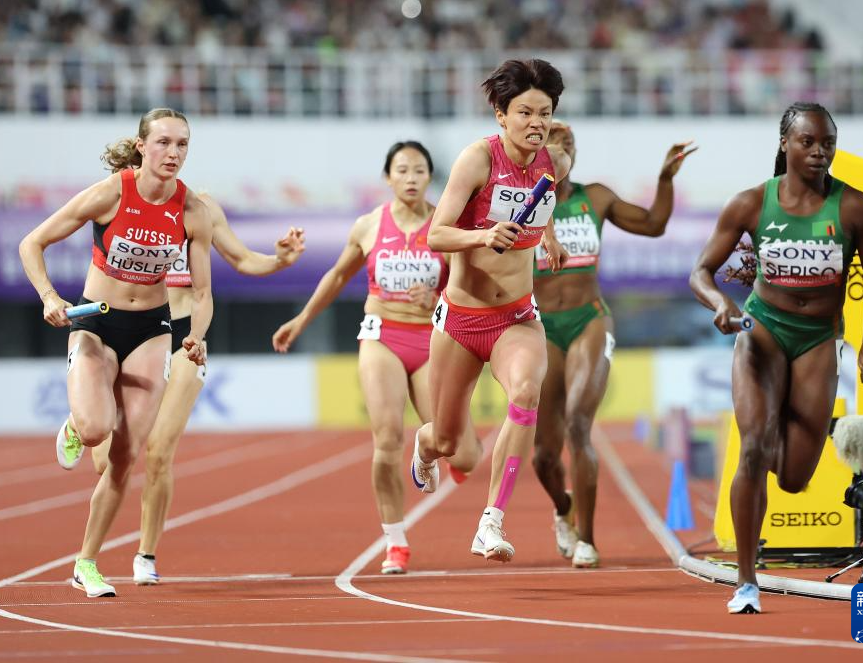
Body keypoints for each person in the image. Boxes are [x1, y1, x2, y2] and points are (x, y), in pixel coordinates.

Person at [689, 101, 863, 614]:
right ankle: (747, 582)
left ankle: (772, 416)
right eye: (808, 142)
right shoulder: (751, 203)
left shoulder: (853, 207)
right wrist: (720, 304)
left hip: (818, 339)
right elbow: (701, 272)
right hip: (762, 332)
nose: (820, 152)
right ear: (785, 144)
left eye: (828, 143)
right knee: (753, 448)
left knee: (795, 479)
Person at [18, 108, 213, 598]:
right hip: (97, 323)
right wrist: (49, 297)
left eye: (182, 144)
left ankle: (86, 562)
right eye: (164, 142)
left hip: (152, 329)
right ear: (142, 146)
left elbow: (203, 293)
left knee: (125, 456)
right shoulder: (112, 194)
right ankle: (76, 425)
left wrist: (197, 335)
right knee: (95, 431)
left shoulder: (192, 211)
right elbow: (32, 243)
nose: (173, 153)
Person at [272, 141, 481, 574]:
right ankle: (395, 541)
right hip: (382, 335)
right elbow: (337, 276)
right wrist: (302, 320)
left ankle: (429, 452)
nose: (411, 178)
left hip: (433, 340)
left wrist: (437, 298)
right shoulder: (369, 225)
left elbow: (470, 288)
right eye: (402, 170)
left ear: (430, 177)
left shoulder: (446, 227)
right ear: (387, 177)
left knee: (464, 455)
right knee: (386, 439)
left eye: (419, 170)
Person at [90, 193, 305, 585]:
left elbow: (242, 259)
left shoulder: (199, 209)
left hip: (185, 336)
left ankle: (146, 554)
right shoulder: (121, 200)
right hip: (133, 333)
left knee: (159, 452)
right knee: (106, 461)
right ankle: (81, 420)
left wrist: (279, 261)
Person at [410, 59, 571, 563]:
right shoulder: (477, 160)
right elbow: (436, 234)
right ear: (501, 115)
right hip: (460, 320)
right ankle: (424, 445)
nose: (536, 123)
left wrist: (548, 235)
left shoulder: (554, 164)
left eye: (544, 113)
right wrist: (482, 236)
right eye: (524, 112)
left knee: (526, 393)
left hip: (516, 318)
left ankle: (491, 521)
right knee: (448, 441)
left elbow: (540, 198)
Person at [532, 122, 696, 568]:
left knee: (578, 425)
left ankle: (587, 539)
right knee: (543, 455)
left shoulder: (596, 197)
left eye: (570, 143)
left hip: (589, 319)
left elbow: (654, 225)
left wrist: (664, 179)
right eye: (553, 140)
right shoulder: (520, 203)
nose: (563, 148)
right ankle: (563, 508)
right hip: (541, 327)